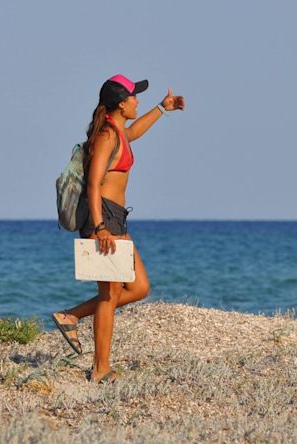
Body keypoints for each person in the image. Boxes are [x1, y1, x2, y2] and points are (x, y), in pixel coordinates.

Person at [52, 74, 185, 383]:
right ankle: (100, 369)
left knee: (138, 288)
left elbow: (134, 132)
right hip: (104, 219)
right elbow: (95, 186)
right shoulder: (106, 137)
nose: (137, 100)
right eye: (134, 97)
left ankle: (72, 315)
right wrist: (99, 227)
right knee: (109, 295)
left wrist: (162, 109)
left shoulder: (118, 132)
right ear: (121, 104)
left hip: (116, 217)